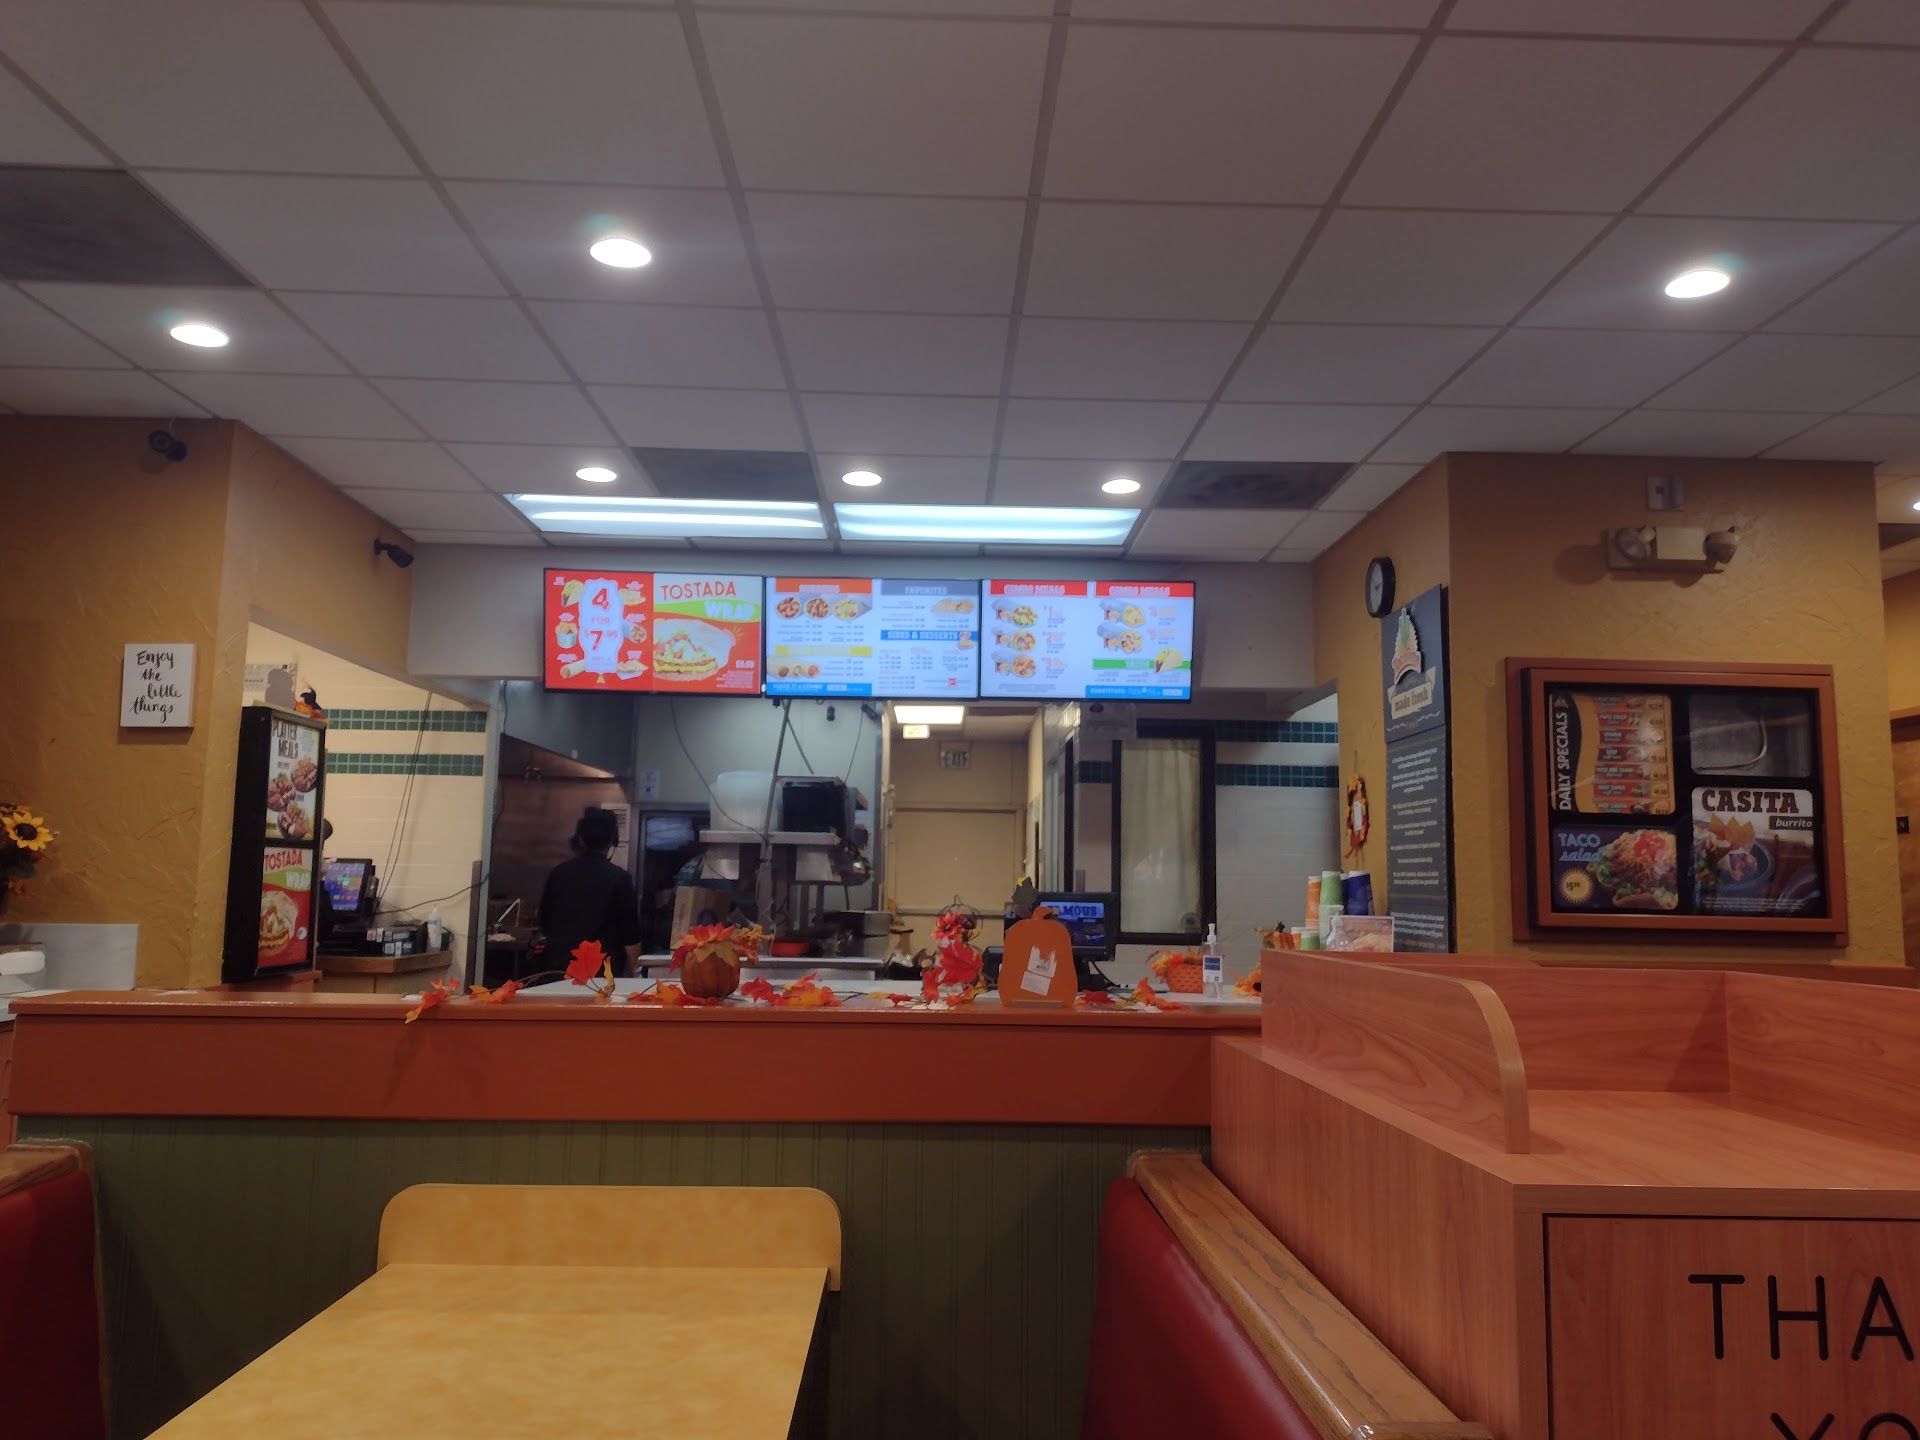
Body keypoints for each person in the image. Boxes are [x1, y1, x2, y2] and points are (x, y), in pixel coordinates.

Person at [537, 809, 642, 976]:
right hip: (600, 974)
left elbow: (544, 922)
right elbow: (630, 934)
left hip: (559, 969)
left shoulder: (558, 874)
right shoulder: (620, 879)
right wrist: (637, 970)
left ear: (580, 838)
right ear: (613, 840)